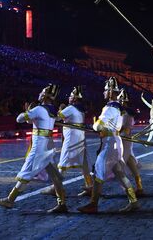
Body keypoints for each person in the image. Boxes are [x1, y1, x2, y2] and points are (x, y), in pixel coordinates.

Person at [0, 84, 68, 213]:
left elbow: (19, 119)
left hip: (39, 147)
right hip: (48, 145)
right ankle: (62, 203)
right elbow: (33, 121)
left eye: (42, 91)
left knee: (27, 171)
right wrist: (30, 113)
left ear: (45, 95)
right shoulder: (52, 110)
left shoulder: (39, 109)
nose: (40, 93)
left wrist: (27, 112)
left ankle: (10, 200)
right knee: (55, 176)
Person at [77, 77, 140, 213]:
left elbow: (98, 126)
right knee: (119, 173)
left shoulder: (109, 108)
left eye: (105, 90)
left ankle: (93, 204)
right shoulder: (118, 109)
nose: (104, 92)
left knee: (98, 172)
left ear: (111, 92)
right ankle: (133, 201)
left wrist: (94, 125)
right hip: (115, 142)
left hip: (109, 145)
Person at [42, 86, 92, 197]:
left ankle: (55, 187)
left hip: (71, 139)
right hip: (80, 138)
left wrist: (59, 109)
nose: (69, 97)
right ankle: (90, 186)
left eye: (71, 95)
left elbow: (57, 118)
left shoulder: (70, 108)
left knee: (63, 163)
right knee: (84, 164)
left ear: (75, 98)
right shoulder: (81, 109)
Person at [119, 89, 144, 196]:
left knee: (118, 166)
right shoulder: (127, 112)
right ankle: (139, 187)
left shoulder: (125, 113)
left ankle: (128, 190)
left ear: (123, 101)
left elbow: (120, 127)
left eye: (120, 100)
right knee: (131, 163)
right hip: (126, 139)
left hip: (124, 139)